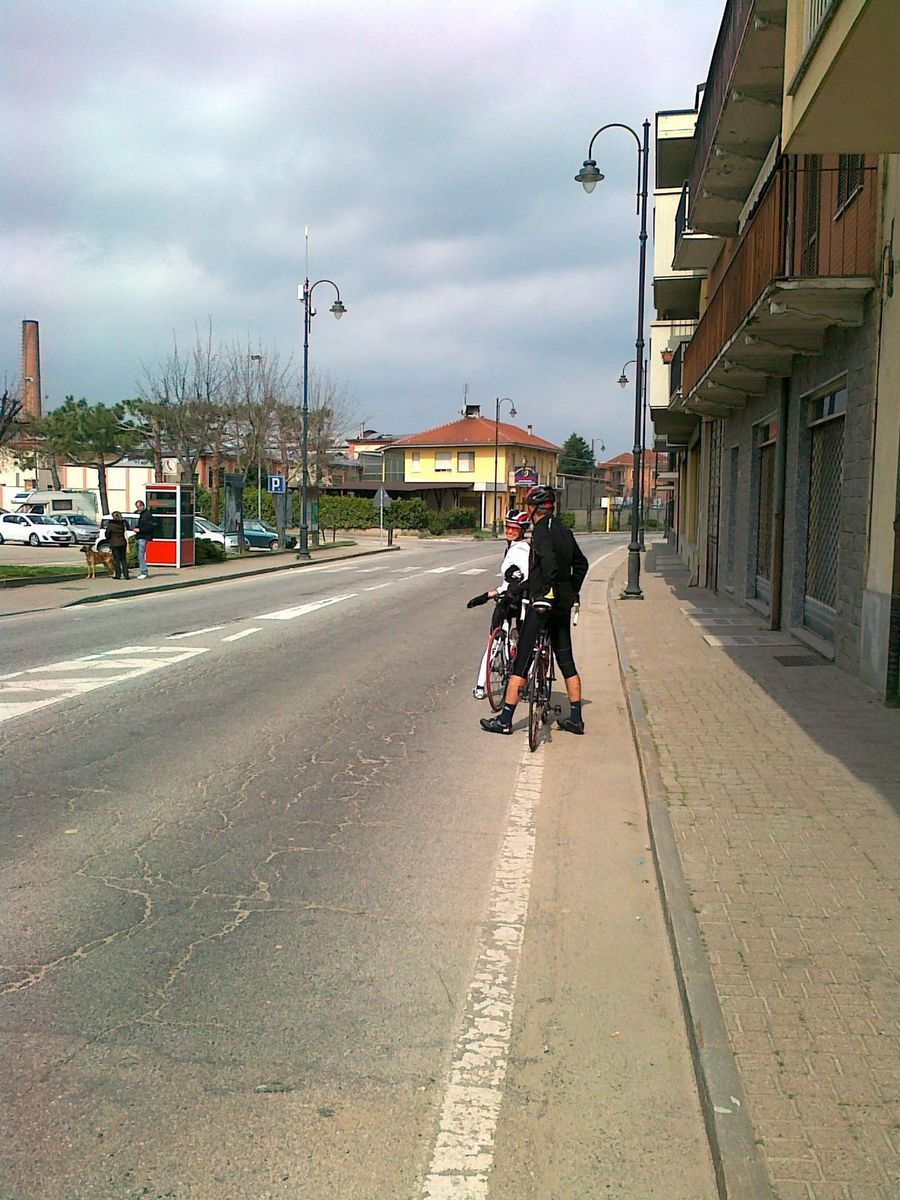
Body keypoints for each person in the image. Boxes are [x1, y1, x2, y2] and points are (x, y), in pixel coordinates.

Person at [481, 484, 588, 736]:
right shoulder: (564, 530)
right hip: (562, 605)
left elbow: (548, 561)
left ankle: (505, 720)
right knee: (566, 660)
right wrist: (570, 591)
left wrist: (545, 592)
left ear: (533, 509)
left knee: (522, 659)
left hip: (542, 604)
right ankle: (576, 719)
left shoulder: (540, 531)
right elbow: (581, 563)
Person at [466, 509, 531, 699]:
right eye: (507, 527)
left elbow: (522, 578)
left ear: (522, 530)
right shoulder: (515, 547)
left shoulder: (520, 550)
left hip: (515, 600)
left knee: (495, 642)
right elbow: (510, 582)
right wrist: (490, 594)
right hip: (513, 598)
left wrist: (507, 590)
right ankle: (522, 682)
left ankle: (481, 686)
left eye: (514, 528)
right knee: (516, 641)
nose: (509, 531)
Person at [134, 499, 155, 579]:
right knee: (139, 555)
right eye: (137, 507)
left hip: (143, 536)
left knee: (141, 554)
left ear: (143, 506)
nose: (138, 508)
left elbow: (150, 526)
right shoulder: (137, 514)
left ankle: (144, 572)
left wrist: (140, 530)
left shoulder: (147, 514)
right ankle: (142, 571)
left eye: (139, 506)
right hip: (138, 536)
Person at [106, 511, 130, 580]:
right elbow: (127, 528)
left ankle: (118, 575)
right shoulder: (123, 523)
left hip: (114, 542)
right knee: (123, 559)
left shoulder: (111, 524)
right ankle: (126, 575)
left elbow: (107, 533)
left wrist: (109, 538)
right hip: (122, 541)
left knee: (116, 560)